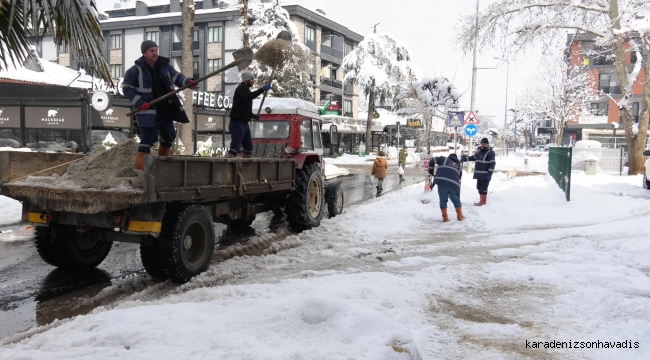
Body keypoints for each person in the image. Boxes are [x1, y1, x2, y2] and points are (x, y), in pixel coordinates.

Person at [123, 40, 198, 170]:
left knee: (169, 135)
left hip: (165, 110)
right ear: (144, 53)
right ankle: (140, 169)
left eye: (156, 50)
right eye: (151, 51)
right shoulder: (135, 71)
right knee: (148, 139)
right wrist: (140, 102)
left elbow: (177, 77)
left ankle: (163, 165)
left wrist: (188, 82)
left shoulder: (165, 66)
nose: (155, 53)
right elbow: (127, 89)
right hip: (148, 111)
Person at [227, 70, 271, 157]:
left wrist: (252, 115)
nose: (253, 81)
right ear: (247, 80)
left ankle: (246, 162)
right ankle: (229, 162)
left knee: (248, 147)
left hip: (243, 123)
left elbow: (244, 108)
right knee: (235, 147)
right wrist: (262, 89)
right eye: (252, 79)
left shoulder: (246, 90)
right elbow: (249, 97)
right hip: (237, 123)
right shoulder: (242, 88)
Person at [462, 137, 496, 206]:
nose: (483, 145)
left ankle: (483, 201)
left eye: (484, 144)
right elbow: (474, 158)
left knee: (484, 188)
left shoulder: (490, 153)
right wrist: (465, 159)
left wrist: (490, 173)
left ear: (487, 144)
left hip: (485, 174)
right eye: (482, 143)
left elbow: (492, 163)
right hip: (478, 174)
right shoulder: (479, 151)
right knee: (479, 187)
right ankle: (481, 200)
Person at [431, 153, 464, 222]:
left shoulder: (443, 159)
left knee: (443, 200)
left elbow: (432, 160)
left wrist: (431, 171)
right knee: (456, 200)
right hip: (454, 185)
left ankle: (445, 218)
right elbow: (459, 178)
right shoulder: (459, 166)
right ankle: (460, 216)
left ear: (449, 157)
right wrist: (458, 190)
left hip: (441, 182)